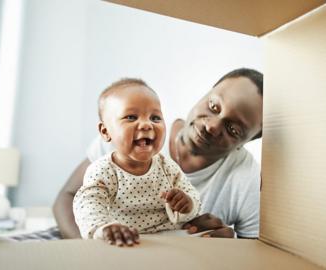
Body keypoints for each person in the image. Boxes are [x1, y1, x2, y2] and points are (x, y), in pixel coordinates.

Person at [54, 68, 263, 239]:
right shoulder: (122, 133)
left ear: (246, 142)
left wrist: (227, 247)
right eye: (213, 106)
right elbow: (70, 197)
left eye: (233, 130)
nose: (212, 126)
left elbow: (254, 249)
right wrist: (94, 251)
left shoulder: (245, 177)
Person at [73, 79, 201, 246]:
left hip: (169, 239)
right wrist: (104, 227)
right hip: (126, 240)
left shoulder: (166, 166)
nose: (147, 124)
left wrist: (187, 204)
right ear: (105, 131)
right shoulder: (103, 170)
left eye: (155, 118)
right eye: (131, 117)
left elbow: (193, 199)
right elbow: (88, 204)